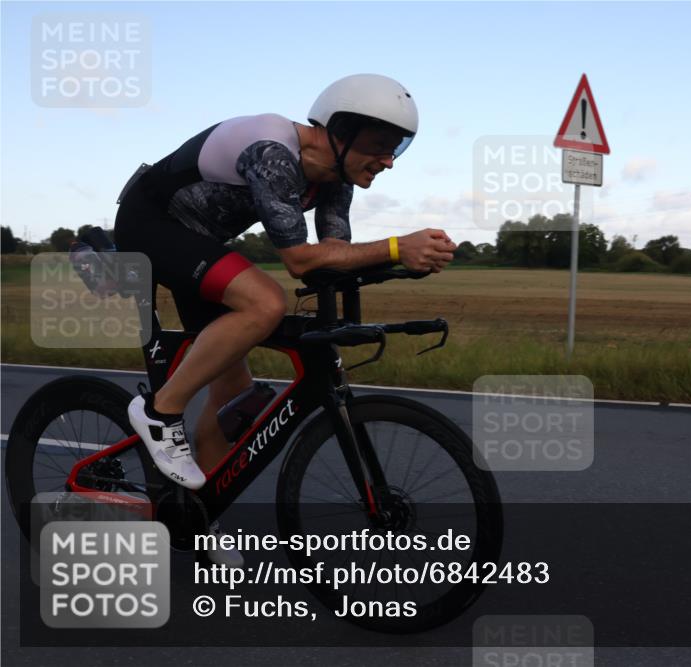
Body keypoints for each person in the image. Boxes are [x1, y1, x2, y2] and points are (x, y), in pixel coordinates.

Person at [114, 74, 456, 566]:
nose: (389, 161)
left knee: (234, 398)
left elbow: (335, 253)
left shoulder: (336, 179)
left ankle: (199, 519)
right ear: (341, 130)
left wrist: (405, 263)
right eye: (380, 147)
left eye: (396, 149)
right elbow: (299, 259)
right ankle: (159, 412)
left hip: (201, 242)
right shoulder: (272, 150)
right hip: (151, 225)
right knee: (266, 303)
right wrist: (399, 244)